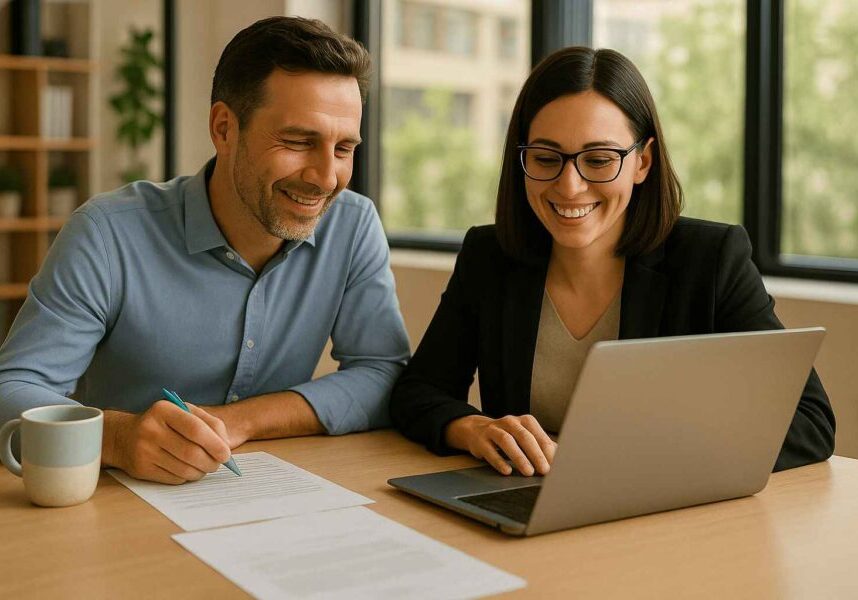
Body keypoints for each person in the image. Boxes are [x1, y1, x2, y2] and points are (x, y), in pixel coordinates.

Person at [389, 46, 835, 477]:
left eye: (599, 160)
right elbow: (418, 392)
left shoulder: (710, 260)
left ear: (642, 161)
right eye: (546, 158)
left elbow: (809, 421)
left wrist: (652, 460)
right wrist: (473, 428)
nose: (569, 186)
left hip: (661, 515)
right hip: (524, 502)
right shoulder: (490, 258)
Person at [0, 17, 410, 484]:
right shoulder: (107, 234)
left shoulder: (353, 226)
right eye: (299, 142)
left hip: (271, 496)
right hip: (117, 504)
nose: (325, 177)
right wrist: (117, 437)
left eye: (344, 149)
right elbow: (12, 388)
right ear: (223, 128)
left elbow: (383, 373)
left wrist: (243, 420)